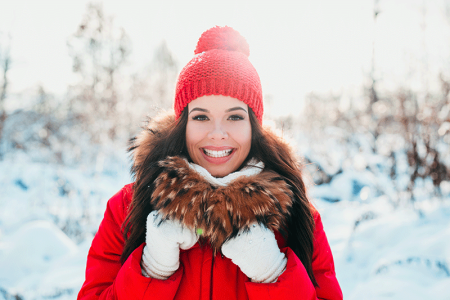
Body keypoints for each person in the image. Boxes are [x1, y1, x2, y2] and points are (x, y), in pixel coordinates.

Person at [77, 26, 343, 300]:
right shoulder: (127, 208)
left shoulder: (297, 215)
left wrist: (274, 274)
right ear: (183, 124)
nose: (217, 133)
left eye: (235, 117)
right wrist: (152, 270)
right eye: (201, 117)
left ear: (254, 126)